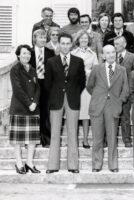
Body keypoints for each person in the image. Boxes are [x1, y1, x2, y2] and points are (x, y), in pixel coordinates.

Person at [45, 32, 86, 174]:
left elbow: (82, 82)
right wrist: (55, 95)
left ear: (71, 45)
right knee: (55, 134)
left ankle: (73, 166)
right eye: (62, 43)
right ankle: (52, 166)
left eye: (68, 43)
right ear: (59, 44)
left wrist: (73, 93)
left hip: (73, 100)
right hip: (56, 101)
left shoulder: (78, 61)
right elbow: (47, 84)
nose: (65, 46)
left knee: (72, 133)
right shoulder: (51, 61)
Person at [87, 45, 129, 173]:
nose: (111, 55)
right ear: (103, 56)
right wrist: (98, 97)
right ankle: (96, 165)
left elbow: (125, 89)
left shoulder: (122, 70)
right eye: (107, 53)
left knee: (112, 137)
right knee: (97, 138)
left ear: (116, 54)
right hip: (98, 106)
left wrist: (119, 102)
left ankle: (113, 165)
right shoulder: (96, 69)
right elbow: (90, 86)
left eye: (113, 52)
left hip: (113, 107)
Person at [9, 44, 41, 174]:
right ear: (18, 55)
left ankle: (29, 163)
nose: (27, 56)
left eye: (28, 53)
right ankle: (19, 164)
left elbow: (38, 88)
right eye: (24, 53)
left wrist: (35, 102)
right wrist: (29, 103)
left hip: (33, 108)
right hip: (20, 108)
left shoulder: (33, 69)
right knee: (18, 140)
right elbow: (17, 89)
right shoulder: (15, 69)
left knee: (32, 139)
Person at [71, 30, 99, 149]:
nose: (84, 40)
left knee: (86, 114)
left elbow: (96, 70)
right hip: (74, 86)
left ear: (89, 40)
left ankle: (86, 140)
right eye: (81, 38)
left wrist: (88, 72)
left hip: (87, 86)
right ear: (78, 40)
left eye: (86, 39)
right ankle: (73, 139)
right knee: (74, 114)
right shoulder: (73, 52)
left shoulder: (92, 54)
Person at [29, 29, 55, 148]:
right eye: (41, 37)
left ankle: (46, 139)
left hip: (46, 84)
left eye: (45, 38)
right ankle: (32, 139)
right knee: (33, 111)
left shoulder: (50, 52)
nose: (43, 40)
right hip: (33, 84)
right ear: (35, 39)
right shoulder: (29, 52)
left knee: (45, 111)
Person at [114, 36, 134, 147]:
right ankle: (109, 139)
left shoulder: (133, 57)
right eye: (114, 44)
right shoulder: (111, 56)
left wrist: (132, 91)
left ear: (124, 44)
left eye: (117, 44)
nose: (115, 46)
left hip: (126, 92)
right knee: (112, 117)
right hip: (113, 92)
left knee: (125, 117)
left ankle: (127, 139)